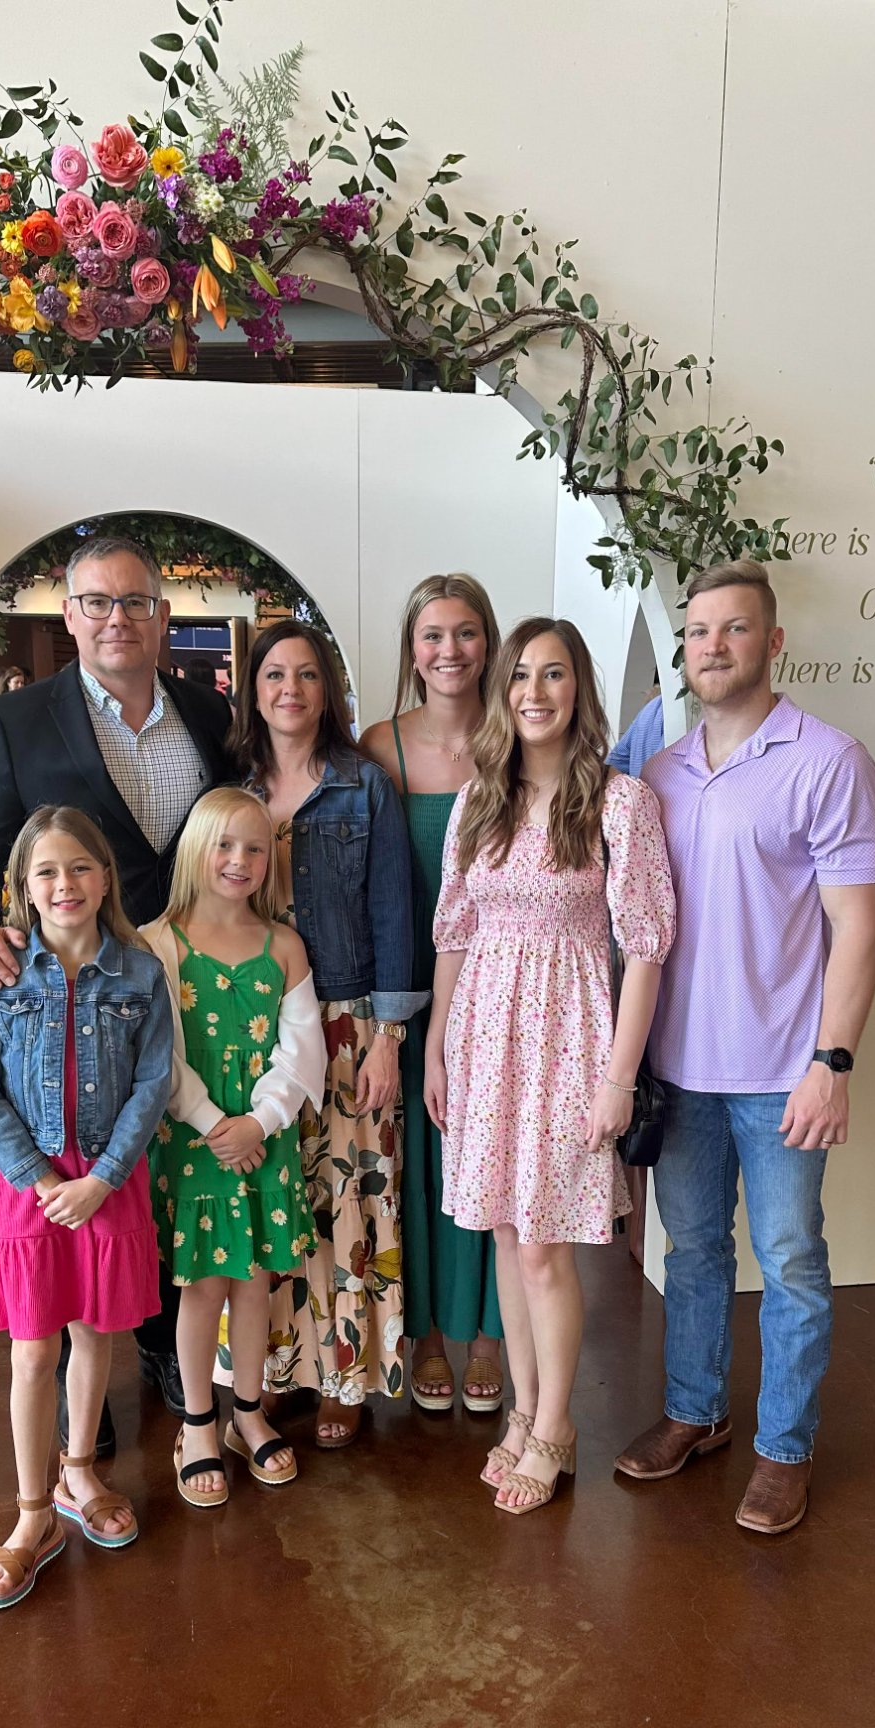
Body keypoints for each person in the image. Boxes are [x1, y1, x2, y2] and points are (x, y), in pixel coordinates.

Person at [0, 535, 237, 1441]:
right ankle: (77, 1384)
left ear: (163, 616)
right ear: (69, 617)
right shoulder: (18, 722)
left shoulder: (206, 714)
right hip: (71, 979)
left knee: (163, 1171)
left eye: (136, 602)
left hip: (177, 978)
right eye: (98, 603)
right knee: (76, 1160)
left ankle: (149, 1336)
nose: (119, 618)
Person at [614, 559, 875, 1535]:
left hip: (783, 1076)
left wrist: (834, 1059)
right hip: (679, 1072)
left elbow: (859, 926)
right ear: (682, 651)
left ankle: (784, 1448)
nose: (713, 647)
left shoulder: (828, 759)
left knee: (789, 1262)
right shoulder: (657, 772)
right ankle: (697, 1410)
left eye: (734, 629)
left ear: (773, 642)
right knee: (691, 1251)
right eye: (697, 633)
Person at [426, 617, 675, 1515]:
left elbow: (645, 948)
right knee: (501, 1231)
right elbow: (455, 932)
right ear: (502, 693)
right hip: (485, 1035)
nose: (535, 691)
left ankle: (558, 1425)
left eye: (554, 674)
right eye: (520, 675)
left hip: (568, 1037)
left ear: (580, 691)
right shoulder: (477, 800)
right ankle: (527, 1413)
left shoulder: (619, 803)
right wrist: (439, 1048)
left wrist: (618, 1075)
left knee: (543, 1248)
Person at [0, 806, 173, 1609]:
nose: (64, 884)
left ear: (105, 877)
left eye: (79, 867)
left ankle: (81, 1472)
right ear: (22, 888)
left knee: (94, 1333)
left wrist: (105, 1177)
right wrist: (41, 1179)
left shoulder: (140, 973)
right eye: (46, 871)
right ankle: (32, 1513)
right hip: (29, 1188)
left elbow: (153, 1082)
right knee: (31, 1350)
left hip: (106, 1184)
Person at [233, 619, 419, 1447]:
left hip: (347, 1024)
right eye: (275, 674)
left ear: (329, 690)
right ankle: (272, 1374)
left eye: (307, 675)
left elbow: (392, 910)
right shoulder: (229, 786)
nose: (291, 690)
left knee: (349, 1205)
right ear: (254, 687)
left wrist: (387, 1037)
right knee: (271, 1200)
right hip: (251, 1024)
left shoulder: (361, 783)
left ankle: (345, 1373)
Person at [139, 788, 326, 1506]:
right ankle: (197, 1423)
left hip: (264, 1141)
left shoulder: (283, 945)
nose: (239, 861)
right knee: (203, 1286)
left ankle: (249, 1411)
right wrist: (217, 1124)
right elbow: (163, 1054)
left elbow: (301, 1048)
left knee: (254, 1283)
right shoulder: (160, 943)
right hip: (195, 1144)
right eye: (224, 845)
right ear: (196, 850)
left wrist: (262, 1121)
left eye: (254, 848)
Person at [362, 575, 506, 1417]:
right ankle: (424, 1337)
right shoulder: (383, 744)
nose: (448, 651)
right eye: (432, 636)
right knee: (413, 1158)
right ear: (412, 651)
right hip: (407, 986)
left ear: (487, 642)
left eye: (464, 633)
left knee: (487, 1156)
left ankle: (486, 1332)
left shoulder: (519, 733)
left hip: (501, 989)